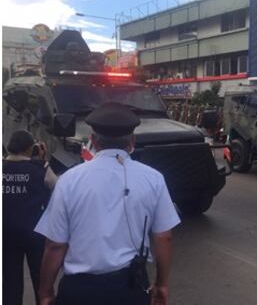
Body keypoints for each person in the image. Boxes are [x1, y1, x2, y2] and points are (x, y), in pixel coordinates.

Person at [34, 103, 179, 305]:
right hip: (130, 288)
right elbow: (164, 237)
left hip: (80, 291)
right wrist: (161, 285)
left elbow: (55, 246)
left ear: (93, 140)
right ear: (132, 141)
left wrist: (46, 291)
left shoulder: (69, 180)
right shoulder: (153, 178)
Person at [3, 130, 57, 305]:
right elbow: (56, 187)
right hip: (35, 234)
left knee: (9, 284)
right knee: (40, 282)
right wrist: (43, 161)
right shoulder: (40, 169)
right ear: (29, 148)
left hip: (6, 234)